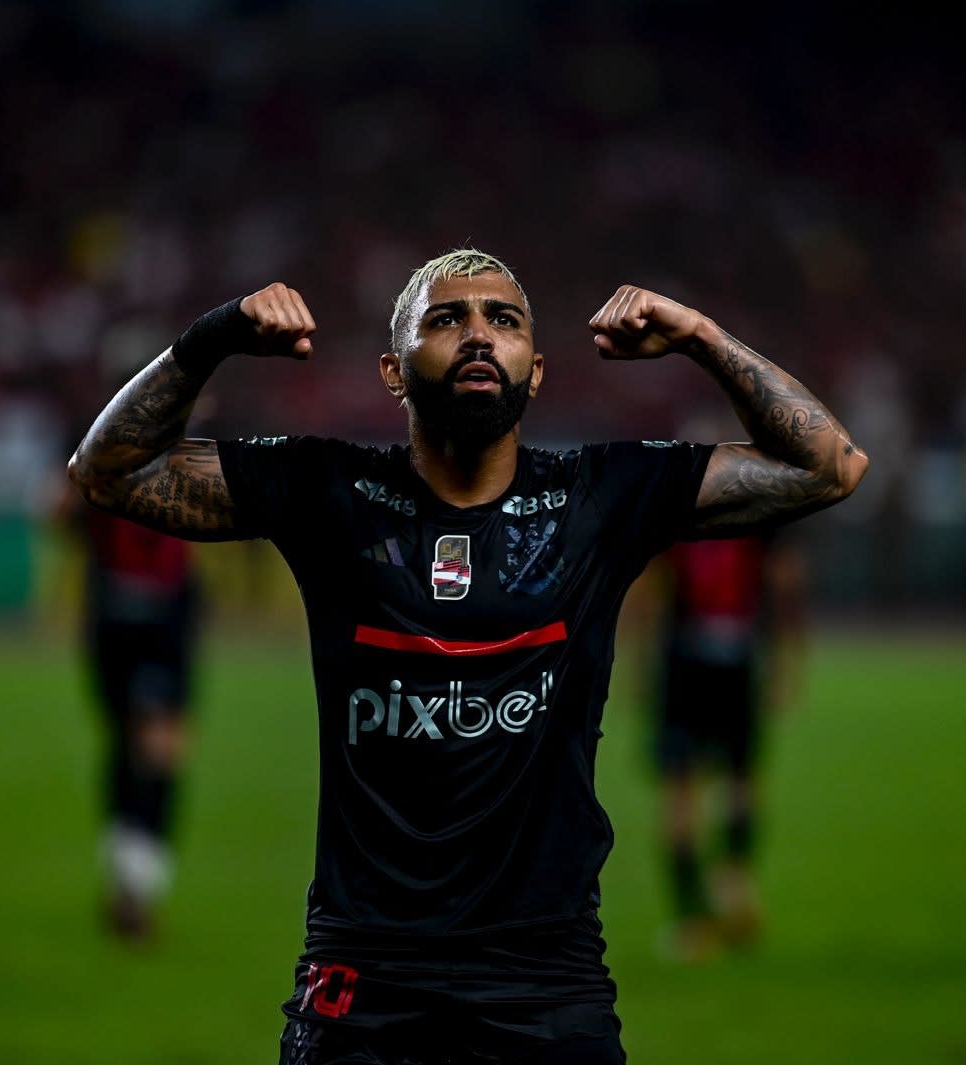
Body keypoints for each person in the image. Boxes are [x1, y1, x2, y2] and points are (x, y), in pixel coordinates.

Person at [67, 248, 868, 1062]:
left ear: (538, 369)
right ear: (393, 369)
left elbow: (830, 465)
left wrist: (701, 337)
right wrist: (212, 338)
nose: (479, 334)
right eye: (447, 319)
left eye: (504, 320)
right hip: (362, 984)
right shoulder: (327, 491)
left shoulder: (602, 496)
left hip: (546, 986)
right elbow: (105, 472)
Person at [53, 471, 202, 944]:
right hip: (116, 615)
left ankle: (136, 886)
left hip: (167, 614)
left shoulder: (185, 450)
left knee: (158, 747)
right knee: (129, 742)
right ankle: (131, 879)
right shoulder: (110, 446)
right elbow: (60, 512)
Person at [650, 527, 806, 962]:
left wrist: (636, 658)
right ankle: (734, 881)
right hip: (738, 654)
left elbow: (649, 580)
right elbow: (786, 579)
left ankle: (691, 921)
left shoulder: (674, 483)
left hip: (682, 656)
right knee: (740, 778)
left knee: (680, 790)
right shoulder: (759, 494)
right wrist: (788, 661)